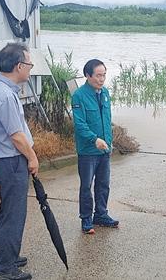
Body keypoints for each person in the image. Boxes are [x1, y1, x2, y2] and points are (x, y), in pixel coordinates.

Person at [0, 43, 38, 280]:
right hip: (11, 161)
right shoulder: (4, 95)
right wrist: (32, 157)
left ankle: (6, 257)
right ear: (19, 66)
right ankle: (5, 269)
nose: (30, 70)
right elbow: (16, 135)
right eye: (29, 65)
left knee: (8, 213)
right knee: (13, 215)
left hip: (4, 161)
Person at [71, 59, 118, 234]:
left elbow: (107, 120)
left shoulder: (105, 93)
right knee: (86, 186)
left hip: (104, 149)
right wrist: (94, 139)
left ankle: (101, 214)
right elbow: (79, 124)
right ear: (88, 75)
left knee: (103, 184)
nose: (102, 79)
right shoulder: (79, 96)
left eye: (104, 75)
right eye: (98, 75)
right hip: (88, 151)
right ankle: (86, 219)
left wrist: (109, 142)